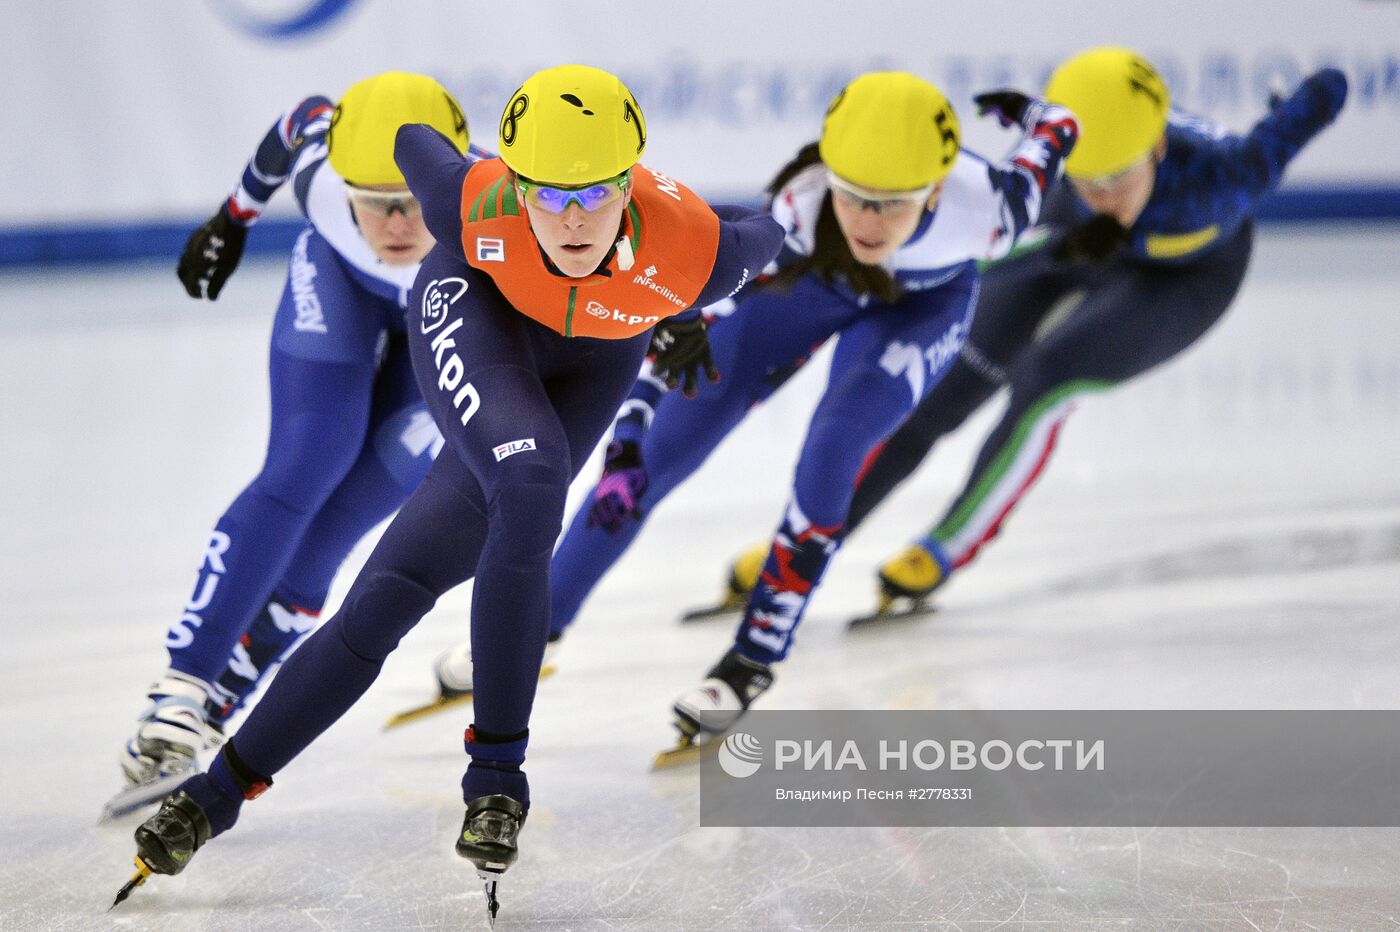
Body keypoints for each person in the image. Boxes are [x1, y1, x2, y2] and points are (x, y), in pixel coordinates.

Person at [121, 65, 784, 913]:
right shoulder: (469, 201)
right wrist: (238, 210)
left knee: (394, 589)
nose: (573, 220)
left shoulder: (706, 252)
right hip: (477, 308)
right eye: (546, 194)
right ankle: (498, 777)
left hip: (593, 363)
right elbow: (410, 140)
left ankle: (212, 795)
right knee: (533, 479)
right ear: (510, 180)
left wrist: (685, 308)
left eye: (594, 195)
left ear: (628, 183)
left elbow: (771, 230)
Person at [426, 71, 1077, 742]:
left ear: (938, 190)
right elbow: (688, 304)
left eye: (894, 205)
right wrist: (638, 416)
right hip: (814, 278)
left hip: (920, 308)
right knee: (651, 459)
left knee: (833, 449)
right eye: (854, 198)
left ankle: (752, 660)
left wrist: (1033, 113)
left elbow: (1059, 132)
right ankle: (543, 622)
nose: (868, 222)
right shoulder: (803, 202)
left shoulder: (995, 209)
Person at [715, 49, 1349, 618]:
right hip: (1071, 251)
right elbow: (977, 259)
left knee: (1045, 382)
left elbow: (1330, 88)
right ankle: (802, 547)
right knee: (937, 390)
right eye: (1087, 181)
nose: (1103, 197)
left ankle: (946, 547)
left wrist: (1290, 106)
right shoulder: (1060, 188)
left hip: (1186, 280)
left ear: (1156, 150)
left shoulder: (1225, 177)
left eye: (1118, 181)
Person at [119, 72, 481, 794]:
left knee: (340, 522)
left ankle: (221, 703)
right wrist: (234, 216)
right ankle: (182, 688)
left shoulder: (489, 214)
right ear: (343, 187)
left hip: (446, 314)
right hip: (339, 289)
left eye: (415, 203)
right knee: (307, 463)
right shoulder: (321, 176)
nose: (399, 225)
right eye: (376, 206)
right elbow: (301, 121)